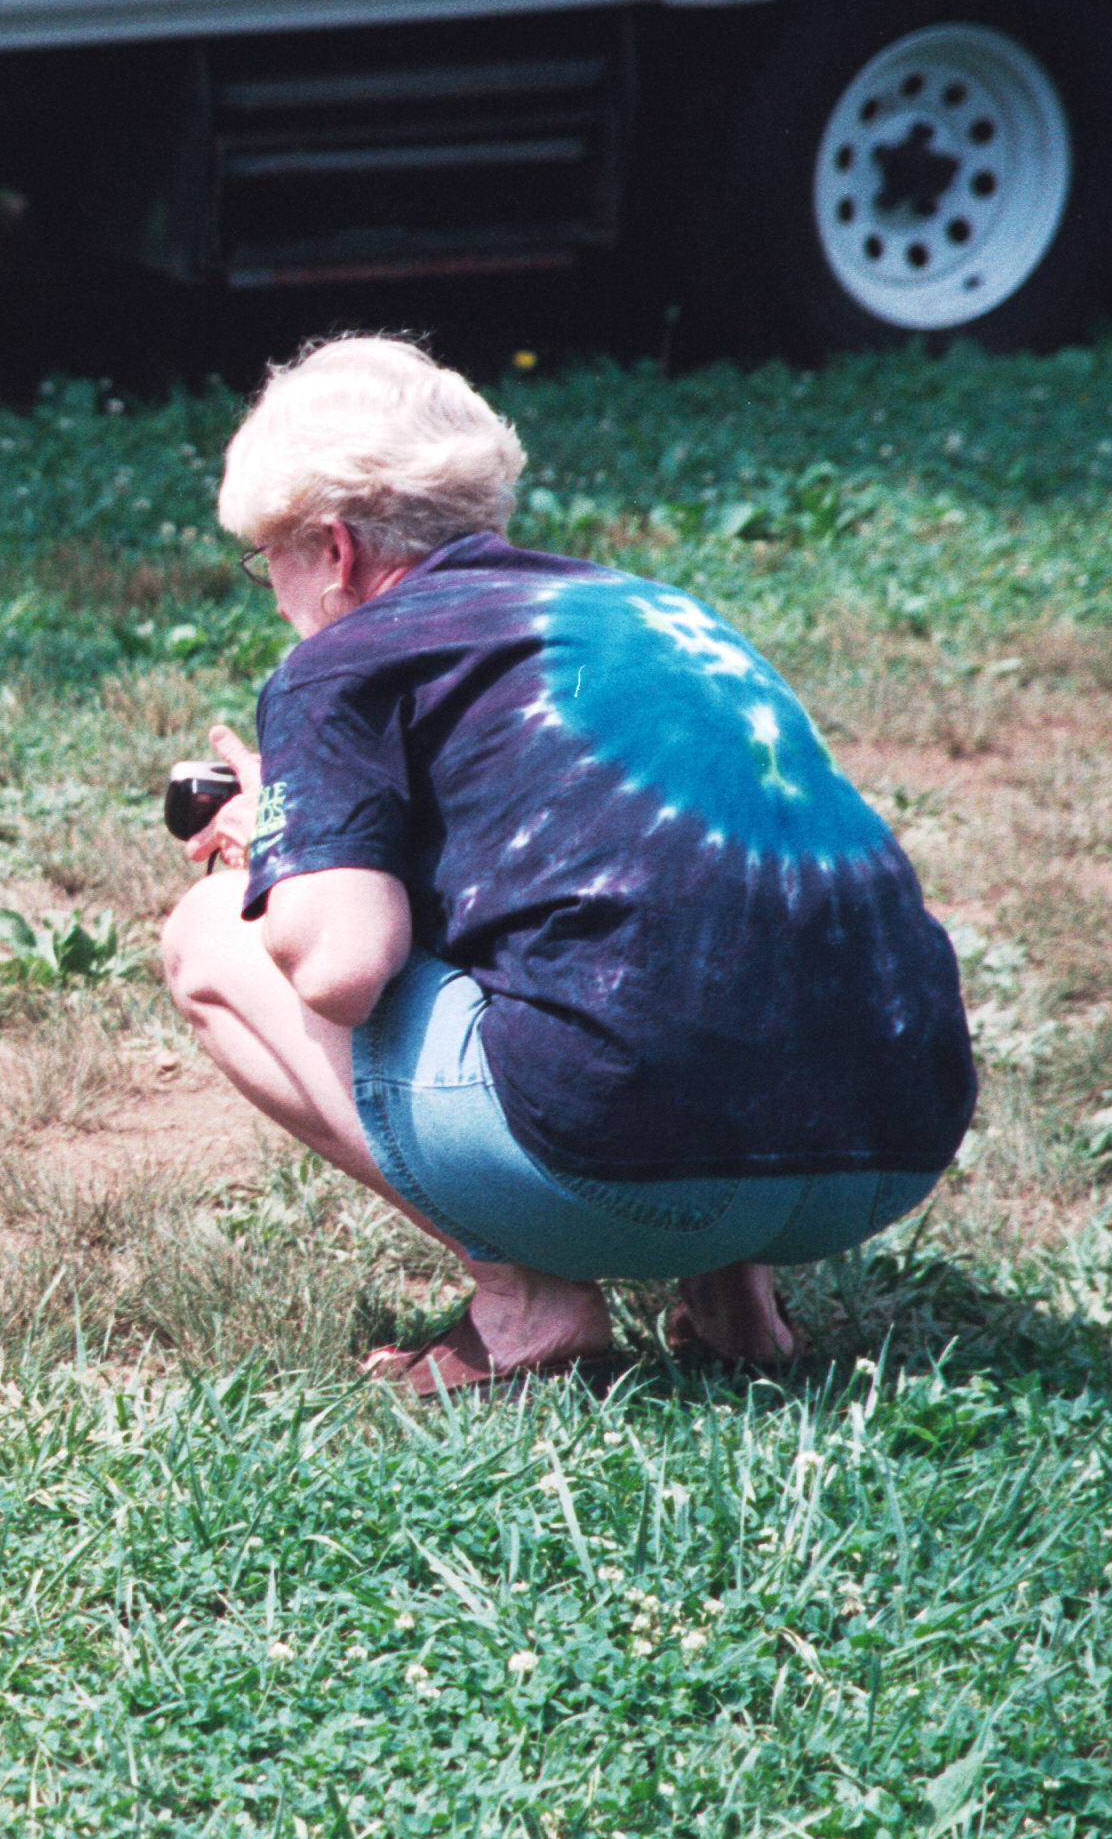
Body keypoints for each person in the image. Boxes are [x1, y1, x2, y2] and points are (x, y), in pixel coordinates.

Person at [159, 336, 973, 1396]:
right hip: (888, 1141)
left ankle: (525, 1299)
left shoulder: (339, 661)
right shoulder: (662, 612)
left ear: (335, 547)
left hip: (629, 1164)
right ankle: (736, 1295)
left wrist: (283, 841)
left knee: (209, 938)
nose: (274, 594)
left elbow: (342, 965)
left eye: (267, 560)